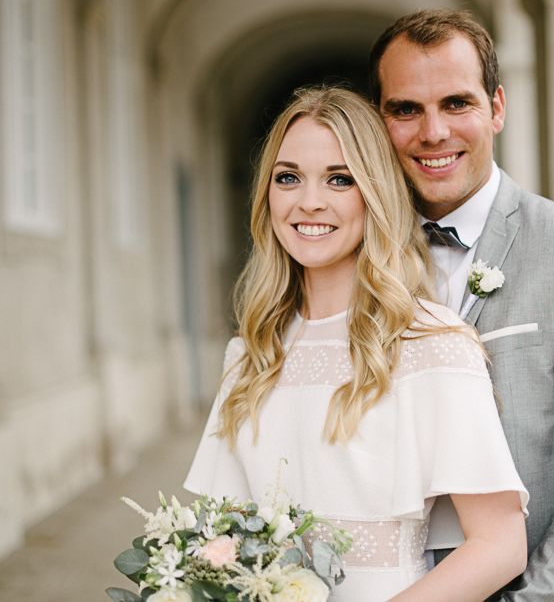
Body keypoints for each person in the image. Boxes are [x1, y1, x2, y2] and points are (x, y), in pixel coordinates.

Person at [185, 86, 529, 601]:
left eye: (339, 179)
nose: (309, 201)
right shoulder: (251, 354)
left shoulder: (431, 343)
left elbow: (501, 543)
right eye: (288, 177)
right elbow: (219, 537)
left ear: (376, 193)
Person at [369, 8, 554, 601]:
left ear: (496, 107)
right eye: (405, 109)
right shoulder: (360, 261)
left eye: (456, 103)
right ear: (380, 120)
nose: (433, 132)